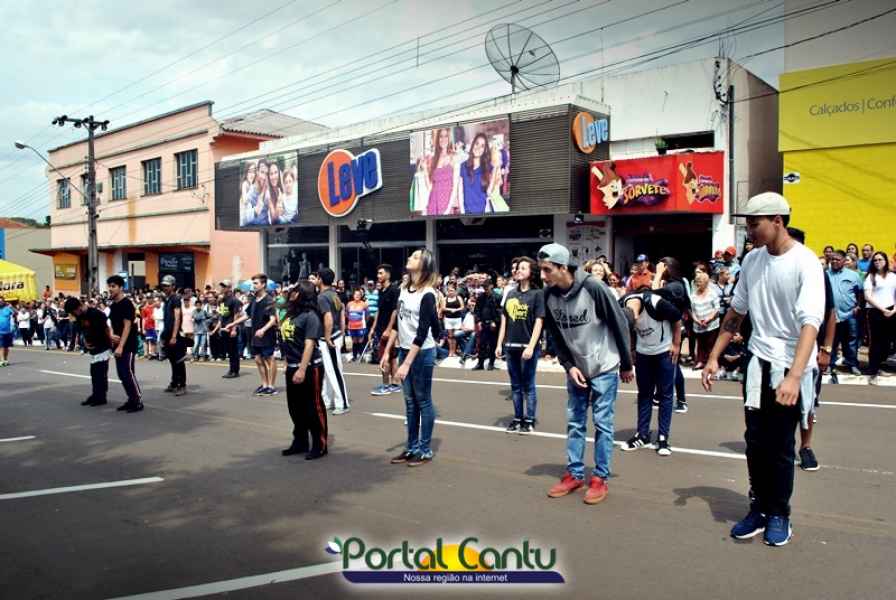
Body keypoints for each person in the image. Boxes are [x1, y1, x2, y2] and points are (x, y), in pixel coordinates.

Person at [702, 192, 825, 547]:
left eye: (754, 225)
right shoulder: (753, 260)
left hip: (790, 364)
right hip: (758, 361)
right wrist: (713, 356)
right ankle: (758, 508)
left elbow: (810, 323)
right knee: (755, 442)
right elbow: (736, 312)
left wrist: (794, 376)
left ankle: (779, 513)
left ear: (777, 221)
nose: (750, 232)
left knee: (781, 445)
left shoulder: (805, 263)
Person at [539, 243, 634, 505]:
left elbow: (619, 323)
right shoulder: (549, 295)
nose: (543, 276)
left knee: (603, 424)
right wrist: (568, 366)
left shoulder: (593, 288)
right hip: (577, 368)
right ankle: (575, 474)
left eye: (547, 270)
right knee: (575, 422)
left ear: (563, 267)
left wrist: (626, 363)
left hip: (604, 366)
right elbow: (555, 335)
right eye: (541, 270)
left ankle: (600, 477)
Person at [381, 248, 441, 467]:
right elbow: (399, 323)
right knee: (409, 402)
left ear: (424, 265)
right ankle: (412, 447)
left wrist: (406, 364)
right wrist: (387, 351)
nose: (410, 258)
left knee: (423, 400)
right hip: (405, 349)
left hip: (422, 352)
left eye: (415, 257)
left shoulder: (428, 294)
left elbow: (423, 332)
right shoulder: (404, 289)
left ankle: (424, 450)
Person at [620, 287, 682, 456]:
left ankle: (663, 437)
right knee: (644, 394)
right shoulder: (623, 305)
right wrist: (632, 349)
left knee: (665, 395)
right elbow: (624, 331)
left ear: (637, 315)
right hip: (643, 354)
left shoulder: (656, 303)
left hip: (664, 352)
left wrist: (676, 344)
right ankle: (642, 435)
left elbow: (677, 318)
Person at [496, 257, 544, 434]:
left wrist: (531, 346)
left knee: (528, 385)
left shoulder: (538, 294)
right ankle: (517, 418)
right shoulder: (510, 294)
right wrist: (499, 344)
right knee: (515, 386)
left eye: (523, 268)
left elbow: (539, 321)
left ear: (532, 272)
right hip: (511, 345)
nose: (518, 271)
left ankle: (529, 420)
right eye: (518, 268)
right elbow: (504, 321)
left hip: (528, 346)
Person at [280, 281, 328, 460]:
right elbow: (287, 340)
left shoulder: (311, 316)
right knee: (295, 407)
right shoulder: (291, 314)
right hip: (292, 366)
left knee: (313, 407)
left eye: (295, 291)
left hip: (309, 368)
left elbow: (309, 345)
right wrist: (288, 363)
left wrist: (301, 369)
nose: (291, 293)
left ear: (302, 294)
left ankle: (320, 444)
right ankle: (300, 442)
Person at [64, 296, 113, 407]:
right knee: (94, 373)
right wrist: (85, 343)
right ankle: (96, 395)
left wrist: (109, 344)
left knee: (100, 373)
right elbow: (82, 330)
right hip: (93, 348)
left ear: (78, 308)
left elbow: (105, 329)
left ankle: (101, 397)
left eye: (73, 312)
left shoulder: (96, 314)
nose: (73, 315)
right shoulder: (79, 317)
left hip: (103, 346)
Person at [107, 275, 143, 413]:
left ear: (121, 287)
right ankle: (131, 399)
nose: (110, 289)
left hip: (127, 344)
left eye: (113, 286)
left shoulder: (127, 304)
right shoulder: (113, 305)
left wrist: (121, 346)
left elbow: (127, 326)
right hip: (117, 344)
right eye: (109, 286)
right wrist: (111, 335)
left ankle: (137, 400)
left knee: (127, 373)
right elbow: (111, 324)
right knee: (121, 374)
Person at [317, 268, 350, 414]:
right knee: (328, 371)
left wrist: (327, 336)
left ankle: (342, 403)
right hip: (335, 336)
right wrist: (341, 333)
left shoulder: (322, 297)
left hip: (328, 339)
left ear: (320, 279)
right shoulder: (334, 294)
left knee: (334, 371)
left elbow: (328, 318)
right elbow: (342, 314)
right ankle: (327, 400)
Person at [827, 250, 863, 376]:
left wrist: (858, 306)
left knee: (851, 341)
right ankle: (830, 364)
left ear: (843, 261)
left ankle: (852, 364)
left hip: (850, 314)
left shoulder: (853, 275)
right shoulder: (825, 275)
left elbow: (860, 292)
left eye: (837, 259)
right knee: (832, 341)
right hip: (831, 315)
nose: (834, 261)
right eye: (832, 259)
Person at [864, 252, 896, 385]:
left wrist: (894, 309)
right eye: (875, 260)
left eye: (880, 259)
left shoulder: (893, 276)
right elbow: (868, 297)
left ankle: (882, 365)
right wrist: (883, 310)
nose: (877, 262)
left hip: (892, 311)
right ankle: (873, 370)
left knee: (888, 341)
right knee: (876, 342)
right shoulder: (871, 277)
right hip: (875, 312)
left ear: (886, 261)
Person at [369, 264, 402, 395]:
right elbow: (379, 310)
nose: (378, 276)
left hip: (389, 330)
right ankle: (395, 384)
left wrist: (388, 329)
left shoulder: (394, 290)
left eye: (381, 273)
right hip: (380, 328)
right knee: (392, 357)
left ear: (388, 274)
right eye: (378, 273)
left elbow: (395, 311)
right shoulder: (381, 291)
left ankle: (386, 386)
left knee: (385, 357)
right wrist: (373, 328)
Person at [160, 275, 187, 396]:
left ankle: (182, 385)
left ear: (173, 286)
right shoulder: (167, 299)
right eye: (163, 285)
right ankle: (174, 382)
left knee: (179, 360)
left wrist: (174, 336)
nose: (165, 287)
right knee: (172, 360)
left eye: (167, 285)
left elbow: (177, 318)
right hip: (167, 334)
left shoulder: (176, 299)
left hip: (174, 335)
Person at [689, 272, 721, 370]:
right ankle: (700, 361)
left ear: (706, 282)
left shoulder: (712, 293)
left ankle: (710, 362)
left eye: (700, 282)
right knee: (700, 344)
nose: (698, 284)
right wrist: (696, 320)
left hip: (711, 324)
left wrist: (709, 319)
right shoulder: (693, 295)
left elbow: (717, 308)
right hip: (698, 324)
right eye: (697, 282)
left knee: (710, 344)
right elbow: (691, 310)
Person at [218, 280, 244, 378]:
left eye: (224, 286)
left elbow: (236, 315)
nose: (222, 288)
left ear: (229, 288)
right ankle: (231, 369)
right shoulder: (222, 300)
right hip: (224, 328)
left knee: (233, 350)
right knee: (229, 350)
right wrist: (220, 327)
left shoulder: (234, 300)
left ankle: (235, 371)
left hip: (231, 328)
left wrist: (234, 329)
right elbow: (222, 314)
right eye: (221, 286)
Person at [472, 275, 499, 371]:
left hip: (493, 324)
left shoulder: (497, 297)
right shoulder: (481, 297)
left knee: (492, 344)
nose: (485, 289)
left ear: (492, 286)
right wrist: (478, 321)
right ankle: (480, 363)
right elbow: (477, 310)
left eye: (487, 287)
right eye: (484, 287)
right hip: (483, 323)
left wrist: (495, 322)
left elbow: (500, 311)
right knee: (481, 344)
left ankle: (491, 363)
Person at [441, 283, 464, 357]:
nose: (450, 292)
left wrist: (456, 310)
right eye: (449, 291)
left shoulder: (458, 298)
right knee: (450, 336)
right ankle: (450, 351)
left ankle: (454, 351)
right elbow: (443, 308)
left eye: (452, 290)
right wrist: (450, 309)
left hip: (457, 319)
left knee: (455, 336)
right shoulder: (445, 299)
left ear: (455, 291)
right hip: (448, 319)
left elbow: (462, 307)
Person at [347, 288, 369, 362]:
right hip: (351, 325)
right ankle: (354, 356)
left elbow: (367, 315)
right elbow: (347, 314)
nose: (357, 296)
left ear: (361, 296)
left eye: (358, 295)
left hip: (361, 326)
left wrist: (364, 322)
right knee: (354, 341)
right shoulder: (349, 304)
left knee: (360, 341)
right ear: (353, 295)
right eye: (355, 294)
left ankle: (361, 356)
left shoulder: (364, 304)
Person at [0, 297, 15, 366]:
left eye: (1, 301)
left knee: (6, 347)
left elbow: (16, 313)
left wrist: (12, 307)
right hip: (0, 331)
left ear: (4, 302)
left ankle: (5, 360)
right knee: (1, 346)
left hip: (8, 331)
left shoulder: (8, 309)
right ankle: (2, 360)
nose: (0, 302)